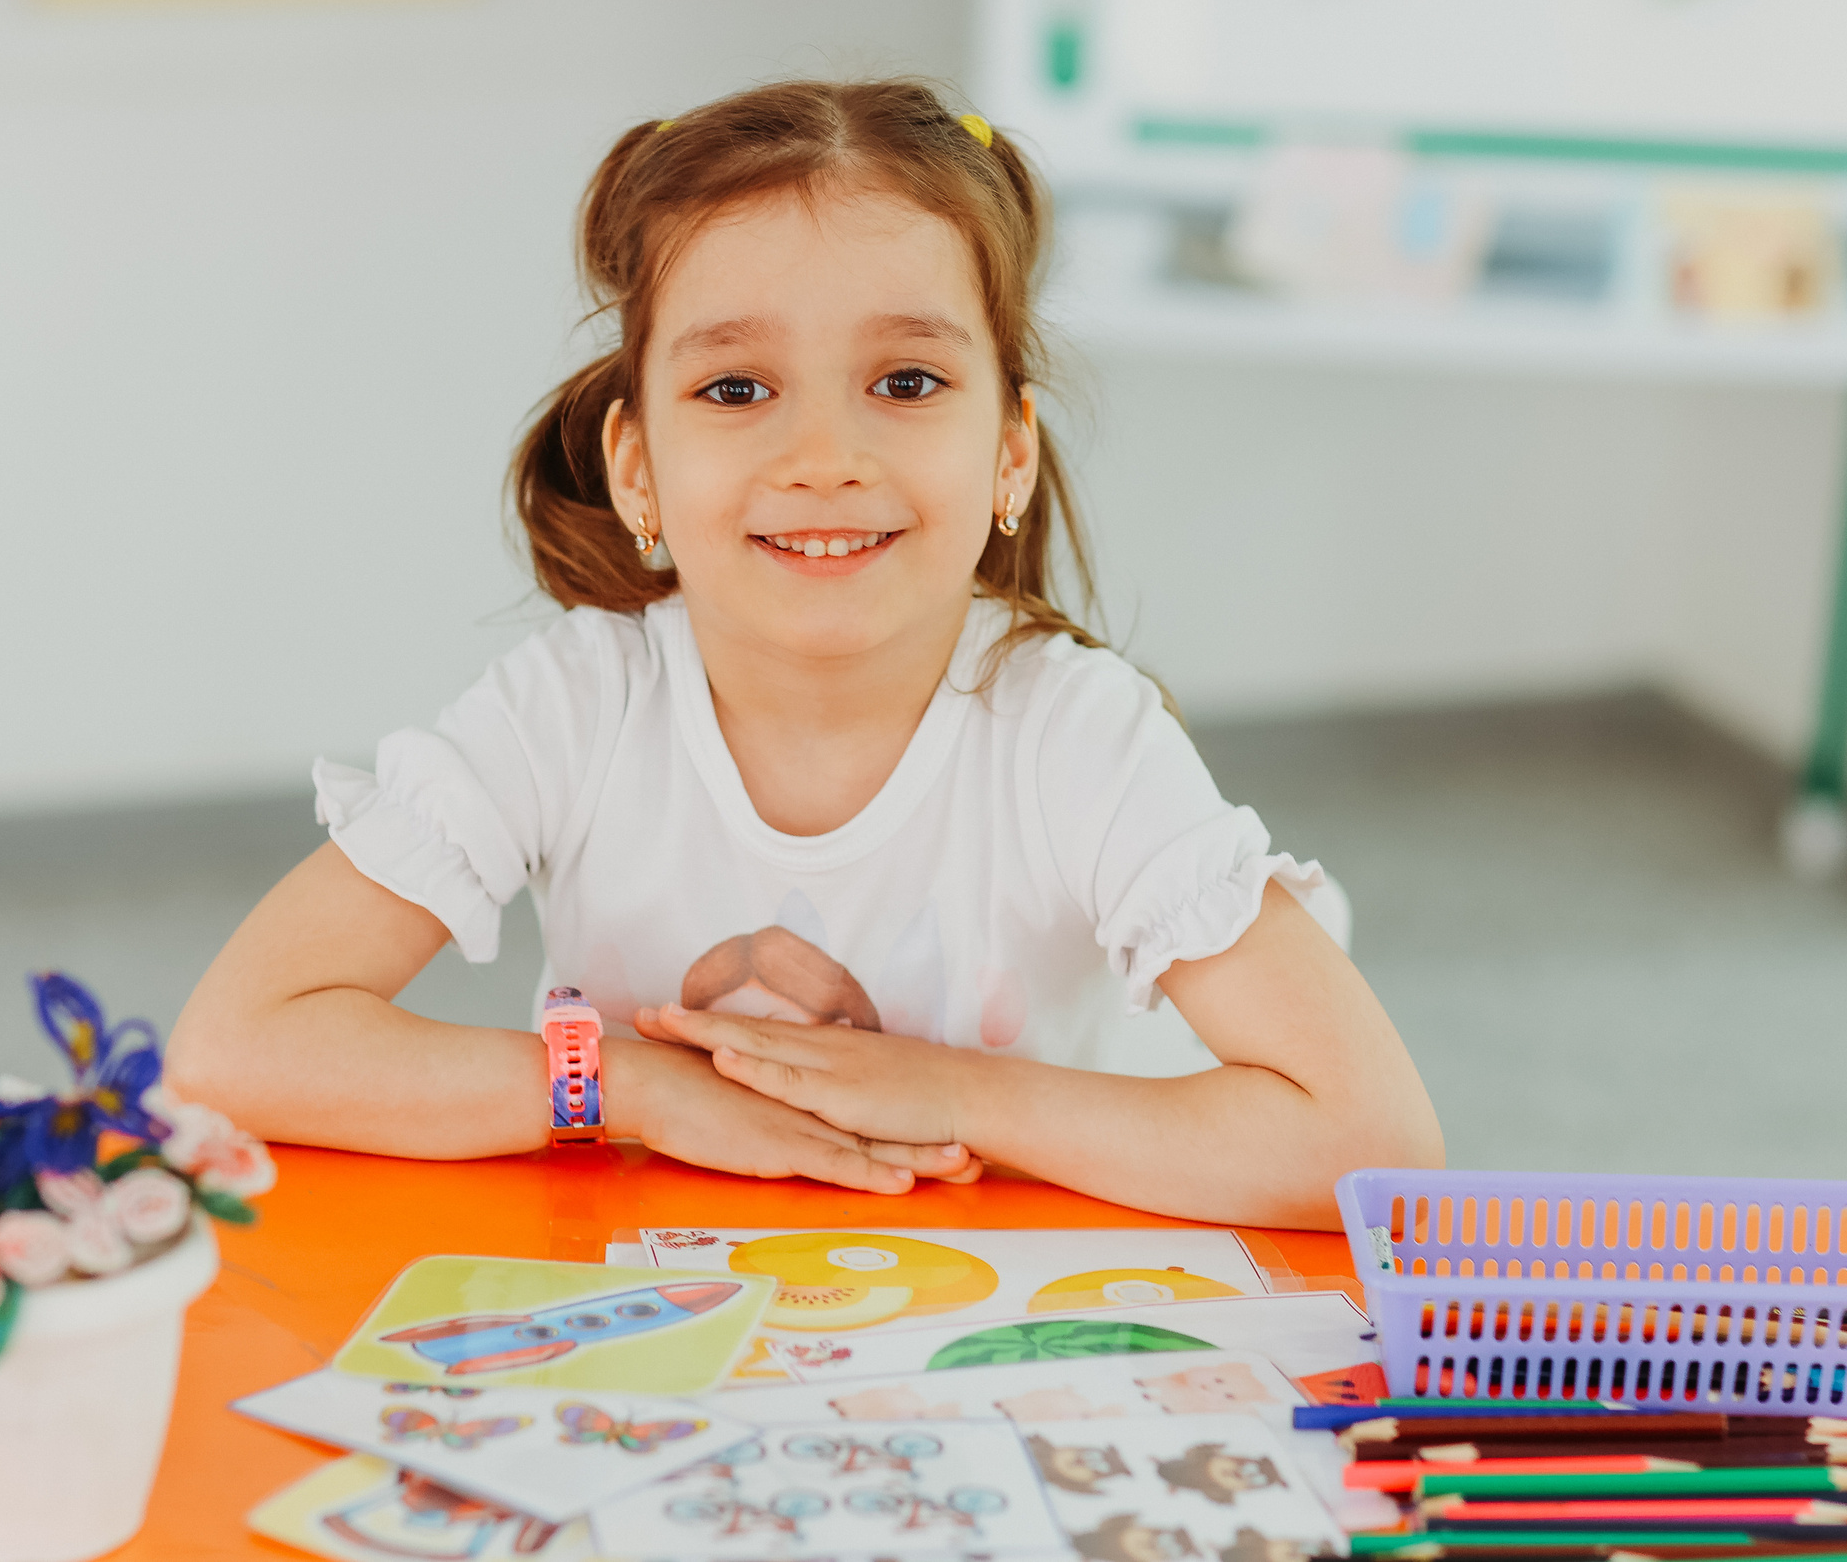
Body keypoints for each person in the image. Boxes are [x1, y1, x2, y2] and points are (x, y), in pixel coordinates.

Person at [166, 78, 1442, 1226]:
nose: (825, 457)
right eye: (735, 389)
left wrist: (953, 1092)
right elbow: (236, 1047)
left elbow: (1371, 1141)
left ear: (1010, 454)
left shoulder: (1076, 734)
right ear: (636, 469)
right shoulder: (575, 704)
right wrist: (636, 1090)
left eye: (906, 382)